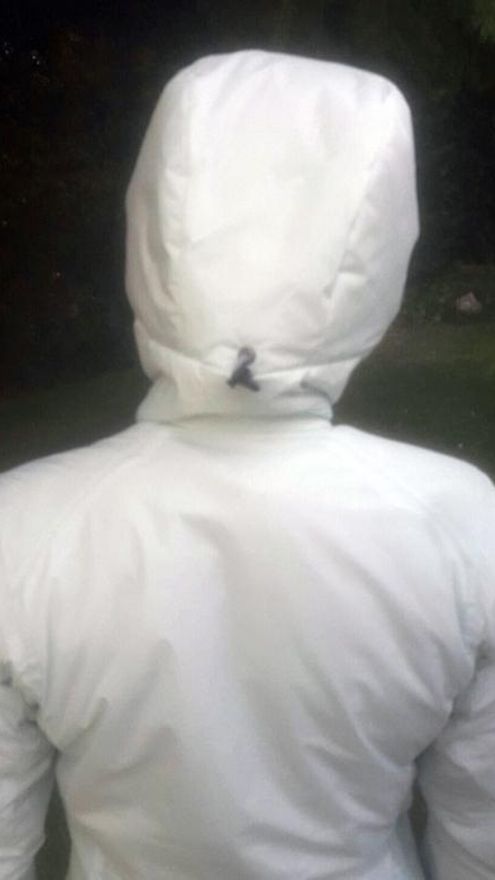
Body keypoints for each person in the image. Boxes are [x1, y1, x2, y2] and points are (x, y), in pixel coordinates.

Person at [0, 50, 494, 880]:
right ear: (377, 253)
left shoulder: (25, 527)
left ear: (150, 237)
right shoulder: (457, 522)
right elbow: (482, 830)